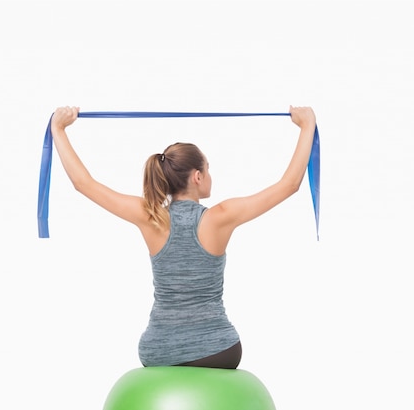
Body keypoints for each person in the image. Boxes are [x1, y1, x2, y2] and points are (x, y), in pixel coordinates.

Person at [50, 105, 316, 369]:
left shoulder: (149, 216)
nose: (210, 175)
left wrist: (59, 129)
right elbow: (289, 185)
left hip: (158, 350)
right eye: (208, 169)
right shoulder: (221, 216)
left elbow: (83, 184)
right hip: (217, 349)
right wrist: (307, 125)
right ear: (198, 176)